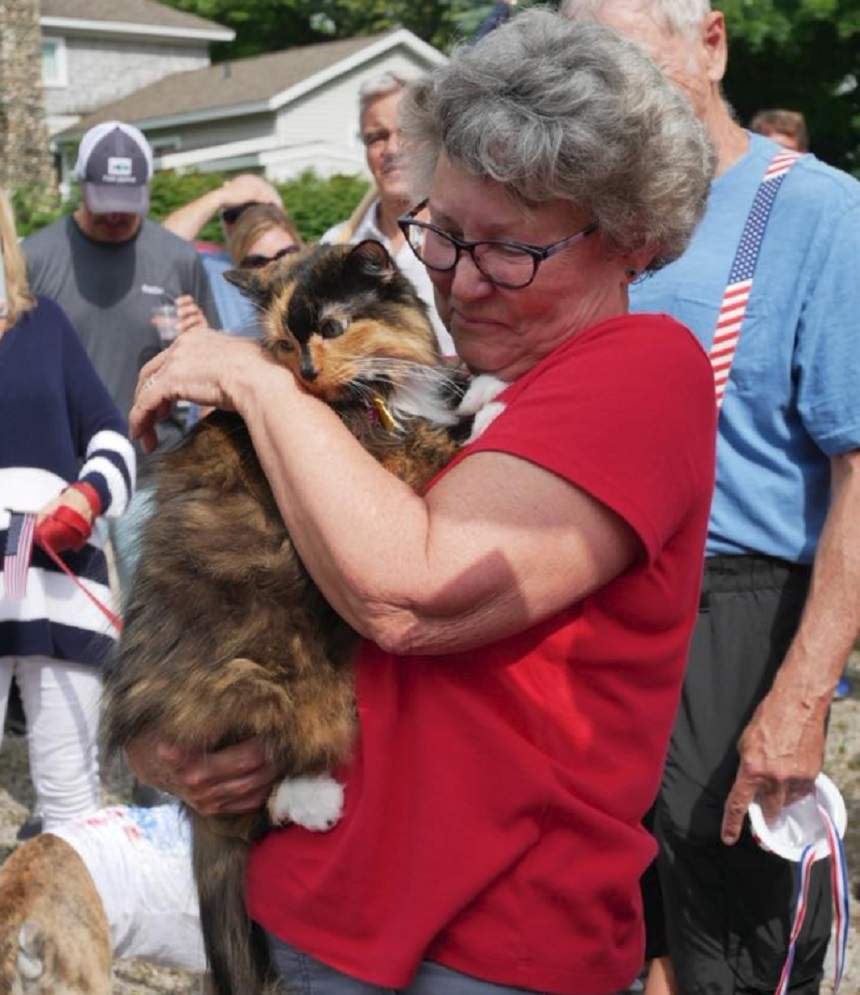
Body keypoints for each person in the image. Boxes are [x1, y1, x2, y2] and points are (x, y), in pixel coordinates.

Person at [125, 10, 717, 994]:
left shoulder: (639, 371)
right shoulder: (432, 385)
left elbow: (412, 590)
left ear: (629, 240)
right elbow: (230, 599)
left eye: (508, 250)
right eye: (440, 232)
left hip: (489, 942)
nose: (457, 279)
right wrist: (172, 739)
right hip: (303, 904)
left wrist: (261, 381)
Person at [559, 3, 860, 994]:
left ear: (710, 43)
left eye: (627, 61)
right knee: (614, 932)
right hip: (592, 613)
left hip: (736, 611)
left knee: (731, 937)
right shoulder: (586, 228)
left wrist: (801, 693)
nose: (607, 96)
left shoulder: (818, 214)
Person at [0, 186, 136, 840]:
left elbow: (111, 434)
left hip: (57, 570)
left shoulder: (43, 323)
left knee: (72, 795)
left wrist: (88, 495)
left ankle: (68, 938)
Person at [23, 120, 218, 446]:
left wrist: (204, 339)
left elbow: (214, 380)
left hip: (155, 472)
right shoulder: (33, 259)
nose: (114, 216)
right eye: (105, 202)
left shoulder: (179, 259)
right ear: (81, 186)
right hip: (64, 469)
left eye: (125, 204)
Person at [320, 72, 456, 357]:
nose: (392, 149)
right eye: (376, 138)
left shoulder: (463, 236)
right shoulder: (338, 244)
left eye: (405, 133)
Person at [161, 173, 294, 336]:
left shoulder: (303, 261)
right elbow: (160, 245)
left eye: (255, 209)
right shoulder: (210, 267)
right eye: (233, 214)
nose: (245, 221)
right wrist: (219, 197)